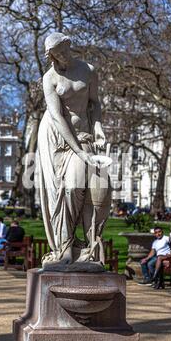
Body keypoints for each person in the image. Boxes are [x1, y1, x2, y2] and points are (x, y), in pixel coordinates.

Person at [37, 32, 110, 269]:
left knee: (85, 188)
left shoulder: (88, 70)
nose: (62, 57)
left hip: (84, 134)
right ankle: (65, 246)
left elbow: (95, 103)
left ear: (70, 46)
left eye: (64, 51)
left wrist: (98, 127)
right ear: (51, 57)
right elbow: (57, 117)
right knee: (66, 190)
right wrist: (78, 152)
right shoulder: (50, 78)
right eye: (56, 55)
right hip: (56, 138)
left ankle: (90, 245)